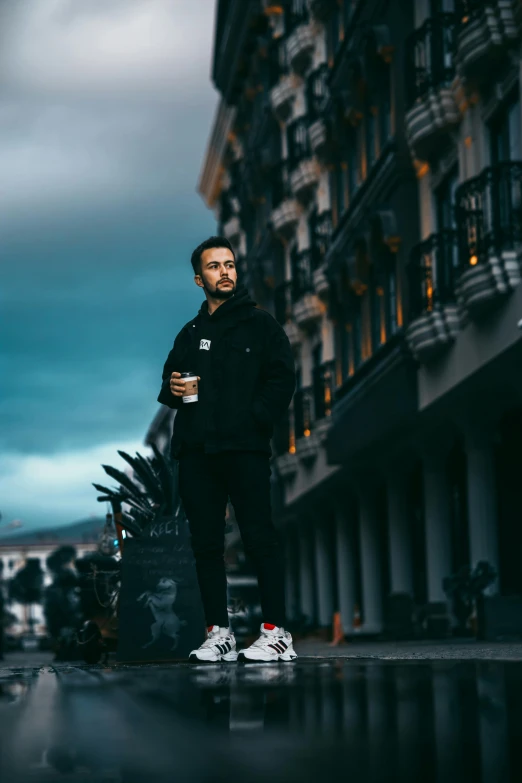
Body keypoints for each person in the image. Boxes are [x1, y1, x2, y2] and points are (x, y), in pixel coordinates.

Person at [157, 236, 297, 663]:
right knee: (206, 545)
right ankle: (219, 633)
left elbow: (282, 378)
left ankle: (277, 634)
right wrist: (175, 388)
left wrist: (256, 417)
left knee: (259, 536)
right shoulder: (191, 332)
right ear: (200, 279)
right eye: (215, 266)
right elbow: (169, 383)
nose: (225, 272)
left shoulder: (261, 325)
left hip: (245, 448)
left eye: (230, 264)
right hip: (198, 452)